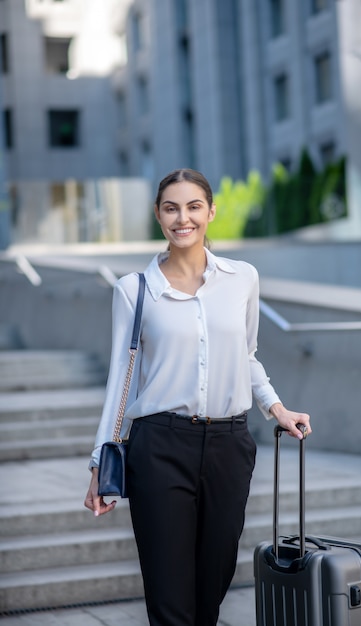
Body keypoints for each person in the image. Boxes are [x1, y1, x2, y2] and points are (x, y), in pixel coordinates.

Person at [84, 168, 312, 626]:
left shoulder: (242, 278)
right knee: (170, 599)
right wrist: (99, 463)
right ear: (158, 215)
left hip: (230, 445)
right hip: (159, 447)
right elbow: (121, 379)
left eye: (192, 207)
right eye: (171, 208)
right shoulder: (135, 290)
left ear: (210, 212)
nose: (182, 218)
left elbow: (246, 354)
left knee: (211, 588)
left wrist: (275, 406)